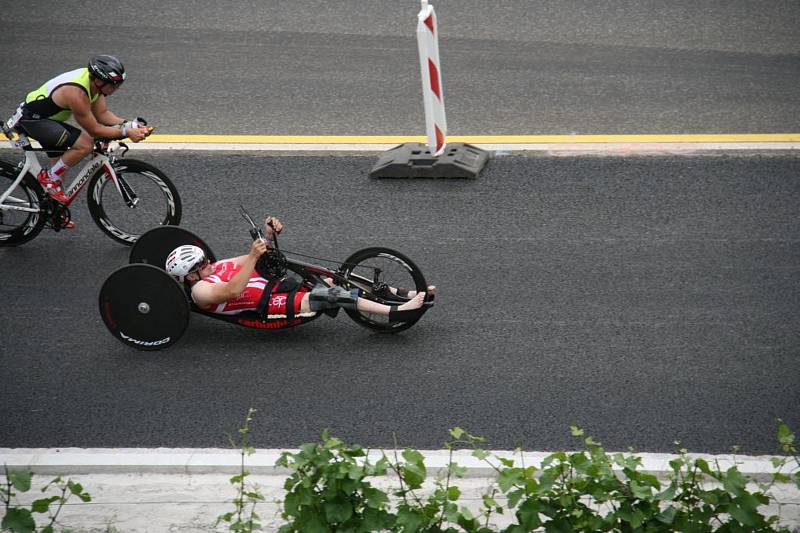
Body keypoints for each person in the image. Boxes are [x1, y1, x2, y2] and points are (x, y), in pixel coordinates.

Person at [164, 217, 435, 323]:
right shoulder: (200, 291)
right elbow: (232, 290)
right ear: (189, 276)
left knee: (331, 277)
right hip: (266, 307)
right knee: (329, 295)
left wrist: (268, 235)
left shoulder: (216, 267)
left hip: (276, 285)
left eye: (204, 259)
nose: (208, 263)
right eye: (201, 265)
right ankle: (397, 311)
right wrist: (251, 257)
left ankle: (402, 292)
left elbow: (254, 255)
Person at [4, 54, 151, 206]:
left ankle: (50, 209)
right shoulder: (76, 94)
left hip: (48, 121)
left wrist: (129, 124)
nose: (116, 88)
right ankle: (48, 179)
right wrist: (125, 132)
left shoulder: (94, 85)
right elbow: (94, 130)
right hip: (32, 120)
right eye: (114, 84)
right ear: (99, 80)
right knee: (85, 145)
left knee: (59, 176)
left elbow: (102, 115)